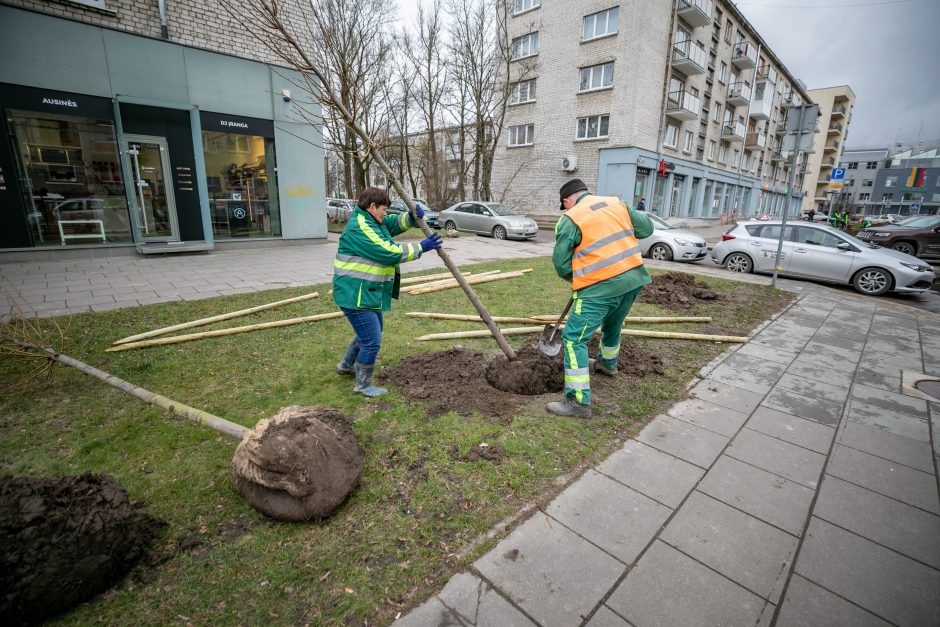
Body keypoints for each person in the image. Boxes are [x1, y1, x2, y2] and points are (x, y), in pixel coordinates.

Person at [547, 179, 654, 418]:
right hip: (632, 279)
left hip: (599, 289)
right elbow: (646, 229)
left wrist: (581, 279)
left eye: (566, 206)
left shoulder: (571, 218)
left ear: (567, 201)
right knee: (613, 325)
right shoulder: (618, 204)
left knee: (574, 339)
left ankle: (577, 402)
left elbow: (561, 264)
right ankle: (607, 364)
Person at [332, 188, 443, 397]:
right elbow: (388, 252)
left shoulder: (372, 221)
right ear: (372, 207)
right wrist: (421, 247)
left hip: (364, 292)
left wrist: (409, 218)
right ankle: (363, 386)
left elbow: (390, 224)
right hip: (354, 294)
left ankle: (345, 365)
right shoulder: (360, 227)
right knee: (371, 340)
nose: (386, 213)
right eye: (384, 209)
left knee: (371, 332)